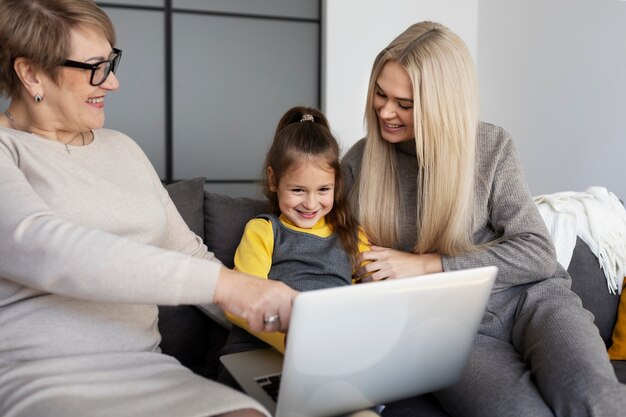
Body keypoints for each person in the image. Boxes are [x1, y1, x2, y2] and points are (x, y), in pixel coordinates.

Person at [0, 1, 297, 416]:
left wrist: (290, 327)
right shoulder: (6, 150)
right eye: (94, 67)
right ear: (30, 72)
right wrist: (228, 285)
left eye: (111, 63)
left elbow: (188, 254)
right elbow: (47, 247)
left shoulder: (123, 148)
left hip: (149, 370)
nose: (113, 83)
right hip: (42, 378)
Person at [342, 21, 626, 417]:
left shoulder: (491, 147)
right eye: (380, 94)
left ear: (442, 103)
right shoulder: (358, 163)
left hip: (534, 300)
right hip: (449, 330)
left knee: (597, 400)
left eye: (404, 104)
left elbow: (538, 253)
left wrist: (427, 264)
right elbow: (334, 251)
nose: (386, 111)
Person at [221, 106, 370, 357]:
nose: (311, 204)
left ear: (336, 184)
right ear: (273, 180)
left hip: (329, 352)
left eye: (323, 190)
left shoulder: (353, 235)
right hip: (264, 350)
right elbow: (238, 302)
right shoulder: (264, 231)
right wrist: (291, 339)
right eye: (298, 190)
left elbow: (371, 297)